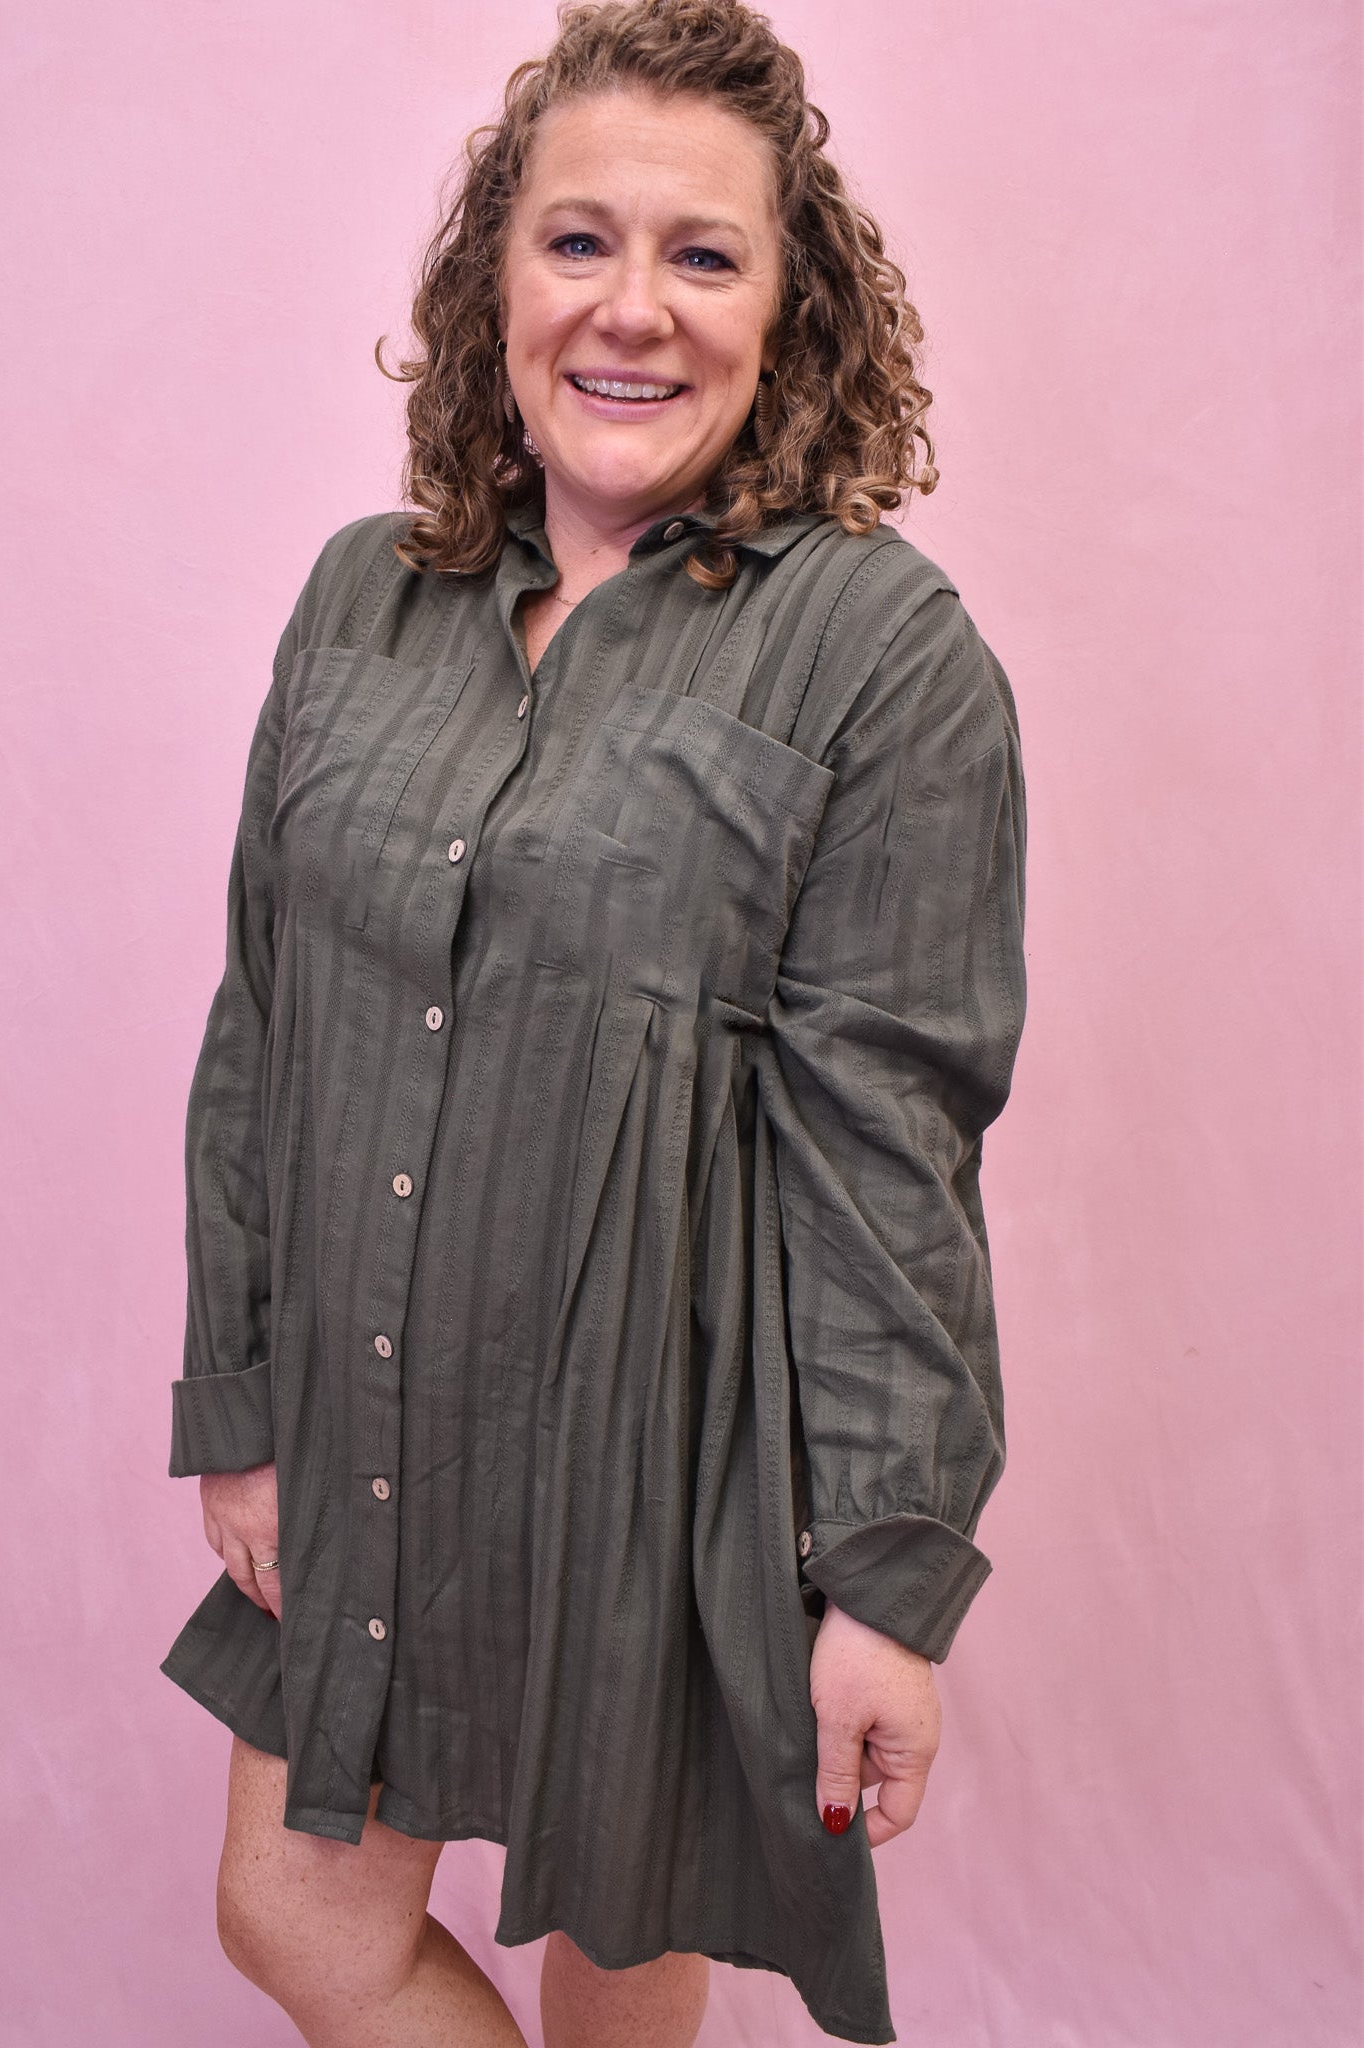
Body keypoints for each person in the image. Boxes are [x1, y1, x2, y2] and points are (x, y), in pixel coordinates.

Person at [159, 2, 1028, 2042]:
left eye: (704, 254)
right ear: (496, 281)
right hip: (367, 1426)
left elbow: (891, 1141)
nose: (633, 309)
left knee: (620, 1969)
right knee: (300, 1913)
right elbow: (263, 1026)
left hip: (667, 1452)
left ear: (788, 306)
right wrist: (247, 1397)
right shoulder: (359, 599)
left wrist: (886, 1580)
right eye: (579, 241)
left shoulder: (880, 655)